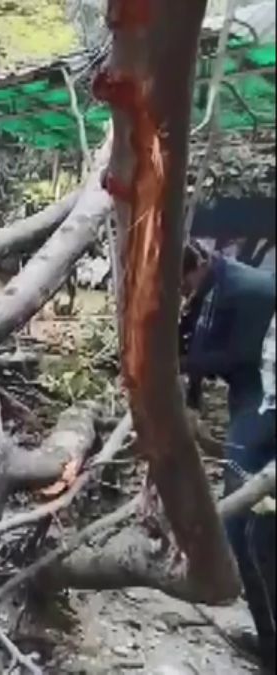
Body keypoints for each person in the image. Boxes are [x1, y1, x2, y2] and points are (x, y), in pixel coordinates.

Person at [181, 242, 276, 671]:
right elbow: (201, 342)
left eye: (184, 283)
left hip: (265, 402)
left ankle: (271, 644)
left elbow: (235, 355)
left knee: (242, 523)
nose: (184, 293)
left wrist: (178, 362)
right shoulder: (211, 286)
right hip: (250, 400)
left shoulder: (249, 288)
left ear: (199, 264)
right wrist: (192, 399)